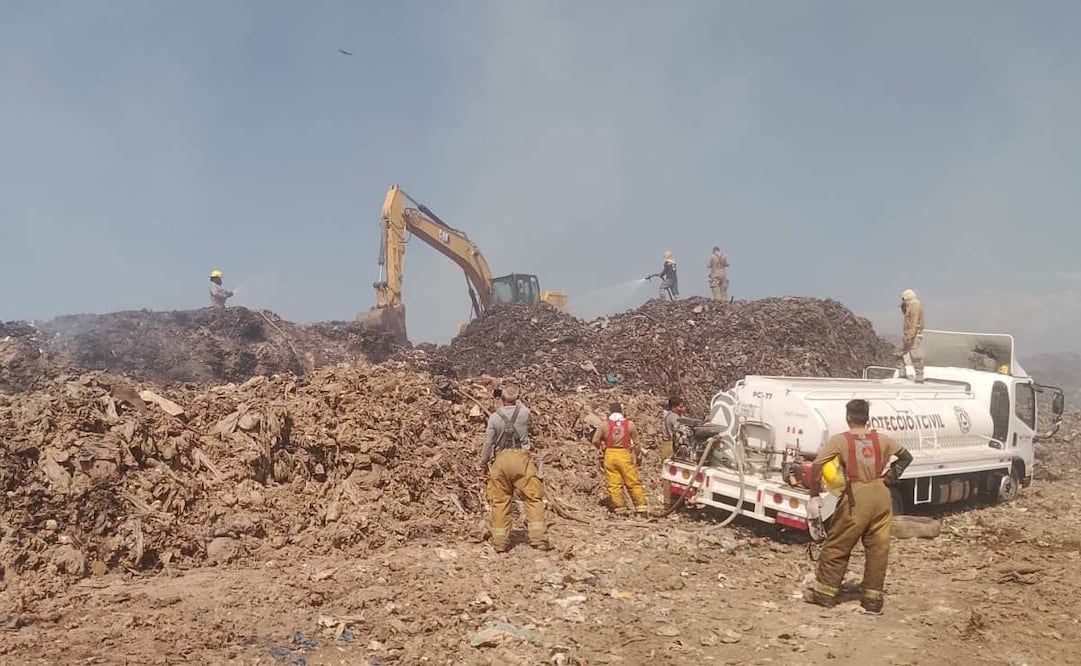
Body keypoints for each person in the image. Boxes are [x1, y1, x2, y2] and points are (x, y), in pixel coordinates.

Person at [805, 399, 913, 614]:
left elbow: (817, 465)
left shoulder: (840, 441)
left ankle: (825, 594)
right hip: (882, 496)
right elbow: (905, 457)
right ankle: (873, 602)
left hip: (857, 498)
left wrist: (815, 493)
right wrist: (890, 477)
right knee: (878, 550)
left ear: (848, 418)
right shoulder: (882, 439)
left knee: (838, 545)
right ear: (867, 418)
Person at [479, 383, 551, 552]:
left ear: (501, 399)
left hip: (500, 461)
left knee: (500, 501)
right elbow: (522, 408)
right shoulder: (525, 413)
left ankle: (500, 542)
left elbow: (488, 443)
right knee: (533, 498)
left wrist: (484, 464)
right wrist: (515, 396)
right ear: (517, 398)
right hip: (522, 460)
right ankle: (539, 539)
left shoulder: (494, 418)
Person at [592, 402, 648, 516]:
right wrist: (638, 456)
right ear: (622, 411)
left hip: (610, 454)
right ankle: (641, 509)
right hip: (624, 454)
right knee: (632, 482)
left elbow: (595, 440)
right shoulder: (630, 424)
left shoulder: (604, 425)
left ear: (610, 412)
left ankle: (620, 510)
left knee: (614, 484)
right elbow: (637, 443)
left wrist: (602, 447)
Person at [660, 396, 686, 507]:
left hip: (668, 446)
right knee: (671, 475)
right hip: (670, 446)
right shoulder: (674, 417)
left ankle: (674, 500)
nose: (683, 409)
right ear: (674, 407)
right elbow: (680, 431)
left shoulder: (670, 416)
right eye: (681, 407)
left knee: (674, 475)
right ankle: (669, 501)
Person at [898, 289, 925, 382]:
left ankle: (919, 376)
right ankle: (902, 373)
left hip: (913, 335)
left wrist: (910, 336)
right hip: (908, 335)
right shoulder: (910, 305)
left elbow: (914, 321)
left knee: (915, 356)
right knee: (897, 353)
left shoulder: (915, 304)